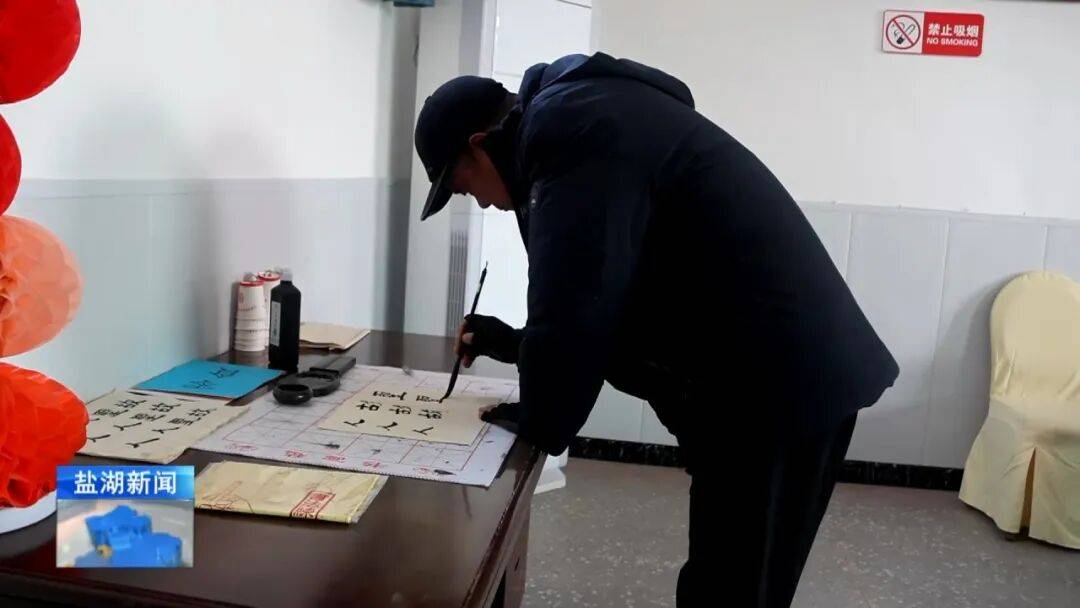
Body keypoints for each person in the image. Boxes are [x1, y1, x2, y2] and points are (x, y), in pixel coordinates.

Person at [413, 53, 898, 608]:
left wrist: (538, 420)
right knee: (724, 584)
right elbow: (605, 305)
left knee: (734, 593)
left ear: (479, 145)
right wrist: (513, 344)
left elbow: (578, 306)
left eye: (462, 184)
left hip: (780, 388)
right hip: (757, 382)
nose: (478, 200)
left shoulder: (568, 126)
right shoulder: (585, 114)